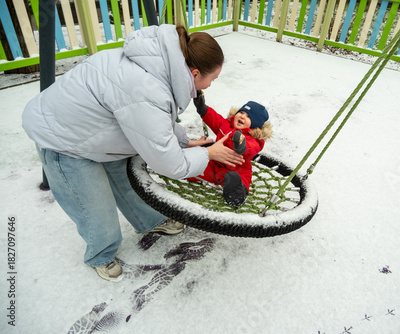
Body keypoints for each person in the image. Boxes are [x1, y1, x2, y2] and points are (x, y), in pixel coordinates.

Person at [22, 25, 244, 281]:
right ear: (195, 73)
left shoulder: (158, 66)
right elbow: (171, 164)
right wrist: (209, 154)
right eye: (212, 79)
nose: (211, 85)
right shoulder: (148, 88)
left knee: (127, 176)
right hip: (63, 139)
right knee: (95, 207)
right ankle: (100, 254)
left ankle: (149, 220)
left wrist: (186, 141)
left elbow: (149, 119)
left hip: (95, 130)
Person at [192, 91, 273, 207]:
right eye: (241, 112)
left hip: (237, 170)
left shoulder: (254, 139)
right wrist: (203, 109)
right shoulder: (226, 125)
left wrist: (241, 146)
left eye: (248, 116)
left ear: (255, 125)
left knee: (238, 181)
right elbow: (214, 119)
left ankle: (237, 196)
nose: (242, 116)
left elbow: (252, 148)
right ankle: (184, 172)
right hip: (214, 164)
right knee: (194, 164)